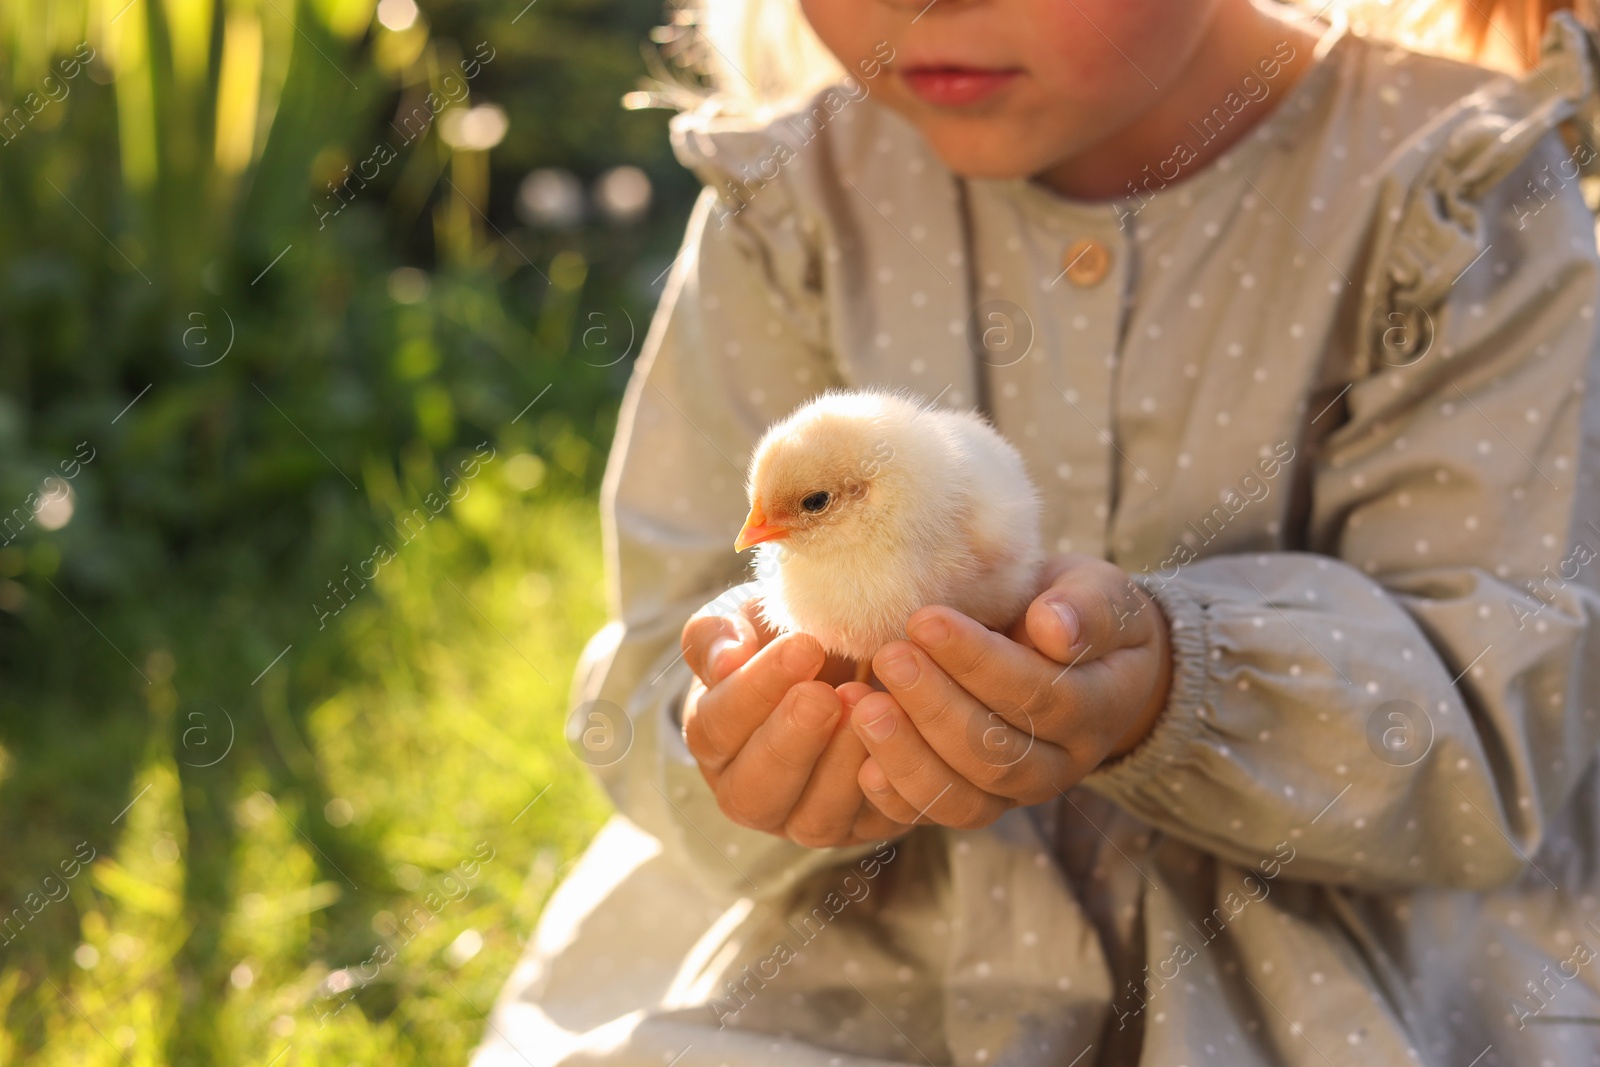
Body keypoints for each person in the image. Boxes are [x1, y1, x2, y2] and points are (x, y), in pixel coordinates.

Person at [472, 0, 1600, 1063]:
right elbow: (664, 640)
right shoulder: (794, 203)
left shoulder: (1452, 192)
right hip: (868, 949)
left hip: (1343, 956)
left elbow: (1505, 702)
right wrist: (749, 741)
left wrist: (1178, 683)